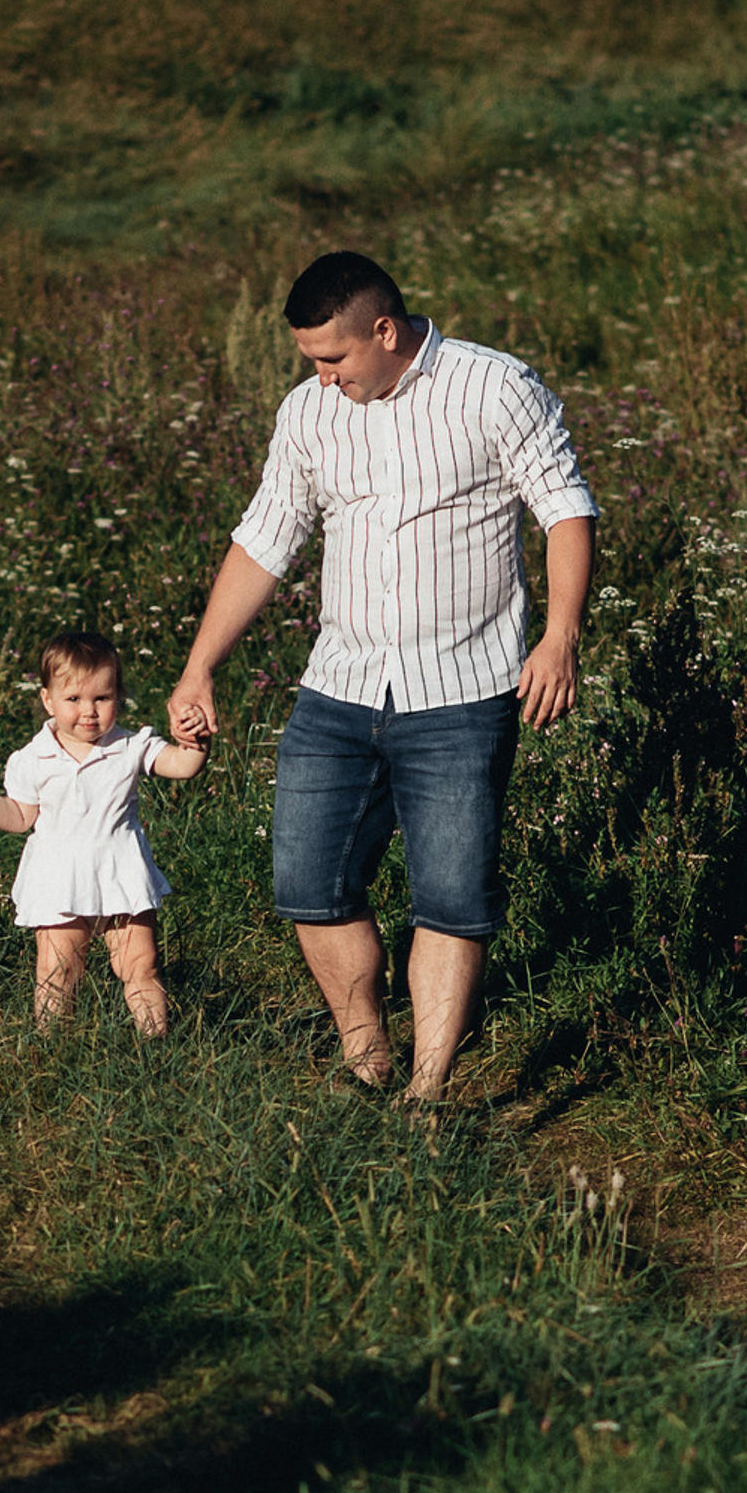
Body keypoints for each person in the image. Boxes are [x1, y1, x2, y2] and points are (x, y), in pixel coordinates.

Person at [168, 250, 596, 1102]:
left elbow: (565, 507)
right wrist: (198, 665)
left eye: (333, 358)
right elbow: (265, 539)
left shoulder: (494, 388)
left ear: (384, 331)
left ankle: (428, 1092)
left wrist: (559, 639)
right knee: (308, 882)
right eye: (309, 363)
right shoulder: (309, 414)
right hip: (340, 690)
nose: (321, 379)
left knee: (452, 896)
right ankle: (367, 1059)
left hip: (463, 692)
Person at [0, 628, 210, 1036]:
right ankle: (54, 1050)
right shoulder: (33, 758)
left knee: (141, 965)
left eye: (101, 698)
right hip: (58, 876)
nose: (89, 711)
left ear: (117, 696)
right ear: (47, 699)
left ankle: (156, 1045)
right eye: (73, 699)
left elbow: (184, 765)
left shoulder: (129, 746)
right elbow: (19, 818)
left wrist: (196, 742)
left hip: (121, 870)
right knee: (58, 971)